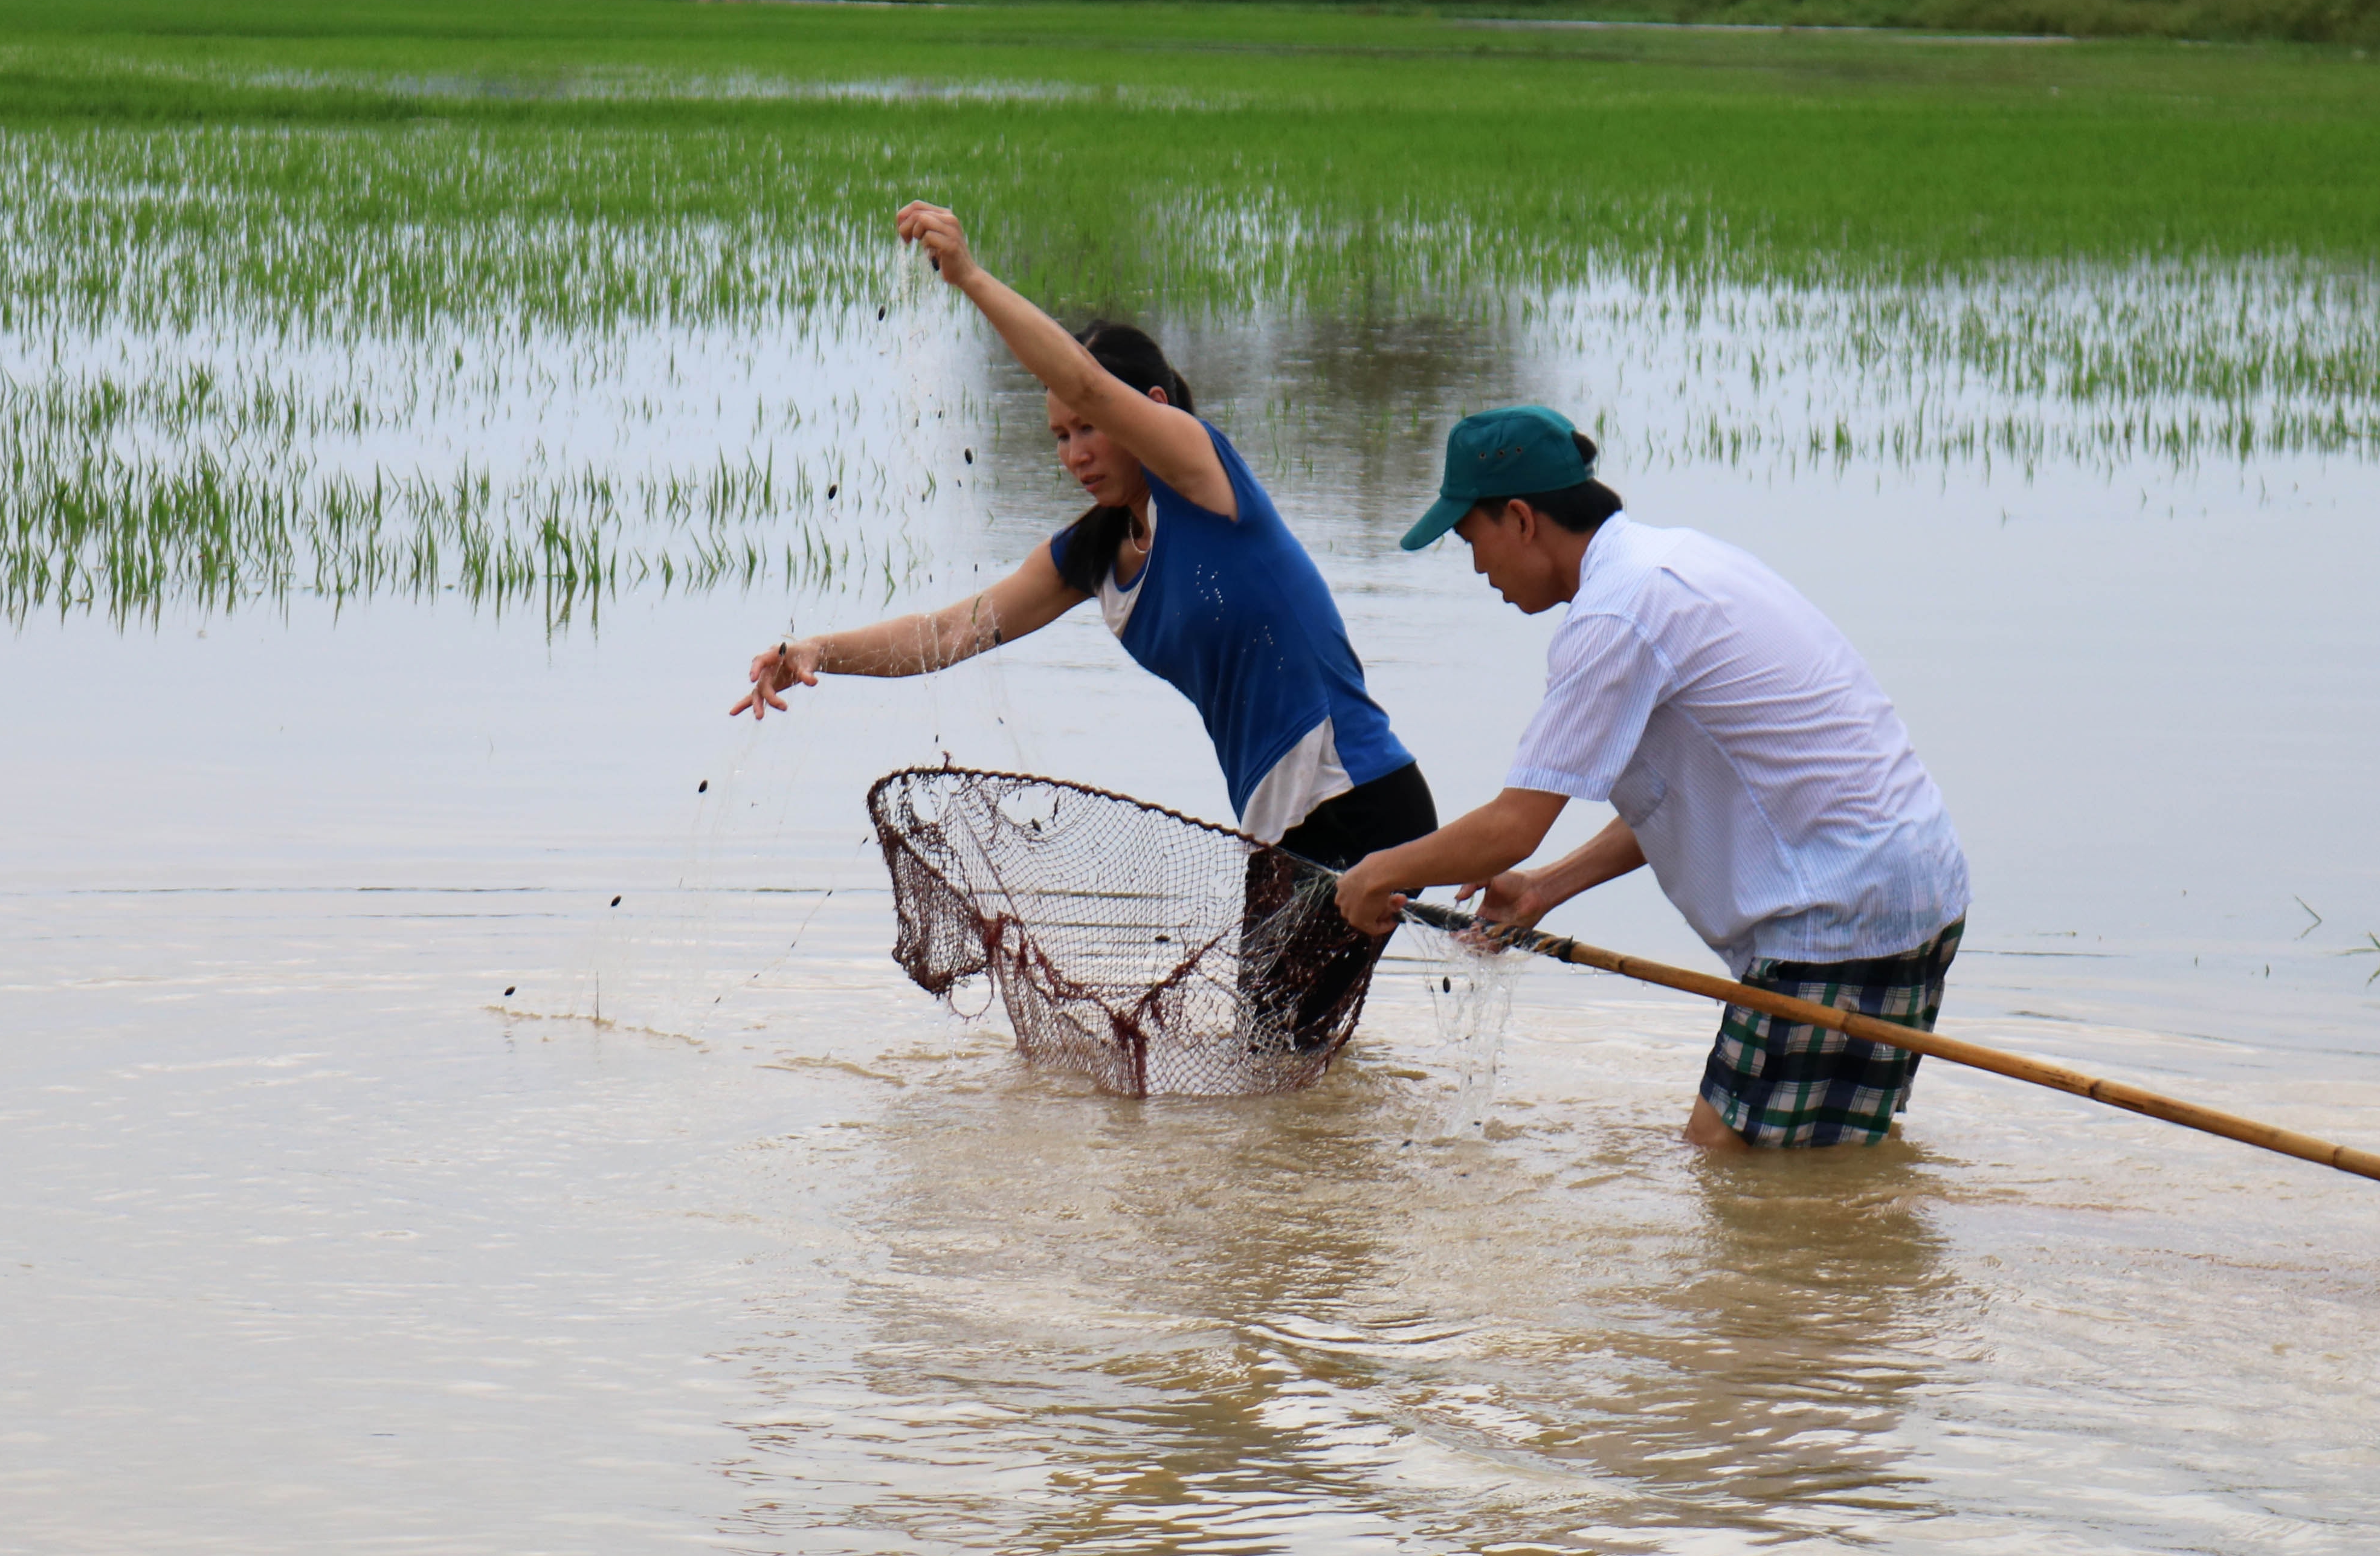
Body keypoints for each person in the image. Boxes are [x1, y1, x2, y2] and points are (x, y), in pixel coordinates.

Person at [733, 202, 1439, 1048]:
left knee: (1273, 1059)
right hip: (1284, 827)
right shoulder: (1097, 554)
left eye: (1087, 425)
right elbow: (953, 631)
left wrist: (969, 278)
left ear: (1149, 409)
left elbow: (1084, 374)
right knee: (1278, 1078)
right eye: (1061, 436)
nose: (1073, 451)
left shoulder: (1203, 477)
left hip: (1358, 803)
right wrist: (818, 650)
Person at [1334, 406, 1970, 1151]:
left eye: (1472, 540)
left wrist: (1376, 871)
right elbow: (1682, 795)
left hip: (1838, 914)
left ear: (1520, 518)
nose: (1478, 568)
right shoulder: (1675, 562)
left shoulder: (1616, 615)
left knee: (1727, 1160)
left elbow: (1512, 826)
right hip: (1908, 885)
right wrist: (1543, 888)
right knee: (1824, 1162)